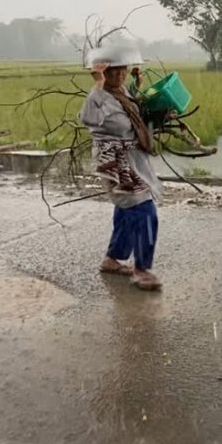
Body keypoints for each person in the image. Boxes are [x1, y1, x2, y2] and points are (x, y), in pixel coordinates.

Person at [79, 48, 164, 291]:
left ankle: (112, 259)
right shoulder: (97, 96)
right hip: (115, 164)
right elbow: (86, 117)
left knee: (127, 208)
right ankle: (142, 270)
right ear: (104, 72)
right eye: (113, 71)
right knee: (144, 209)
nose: (119, 75)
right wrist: (97, 84)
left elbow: (133, 109)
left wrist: (139, 83)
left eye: (122, 70)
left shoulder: (121, 92)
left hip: (131, 159)